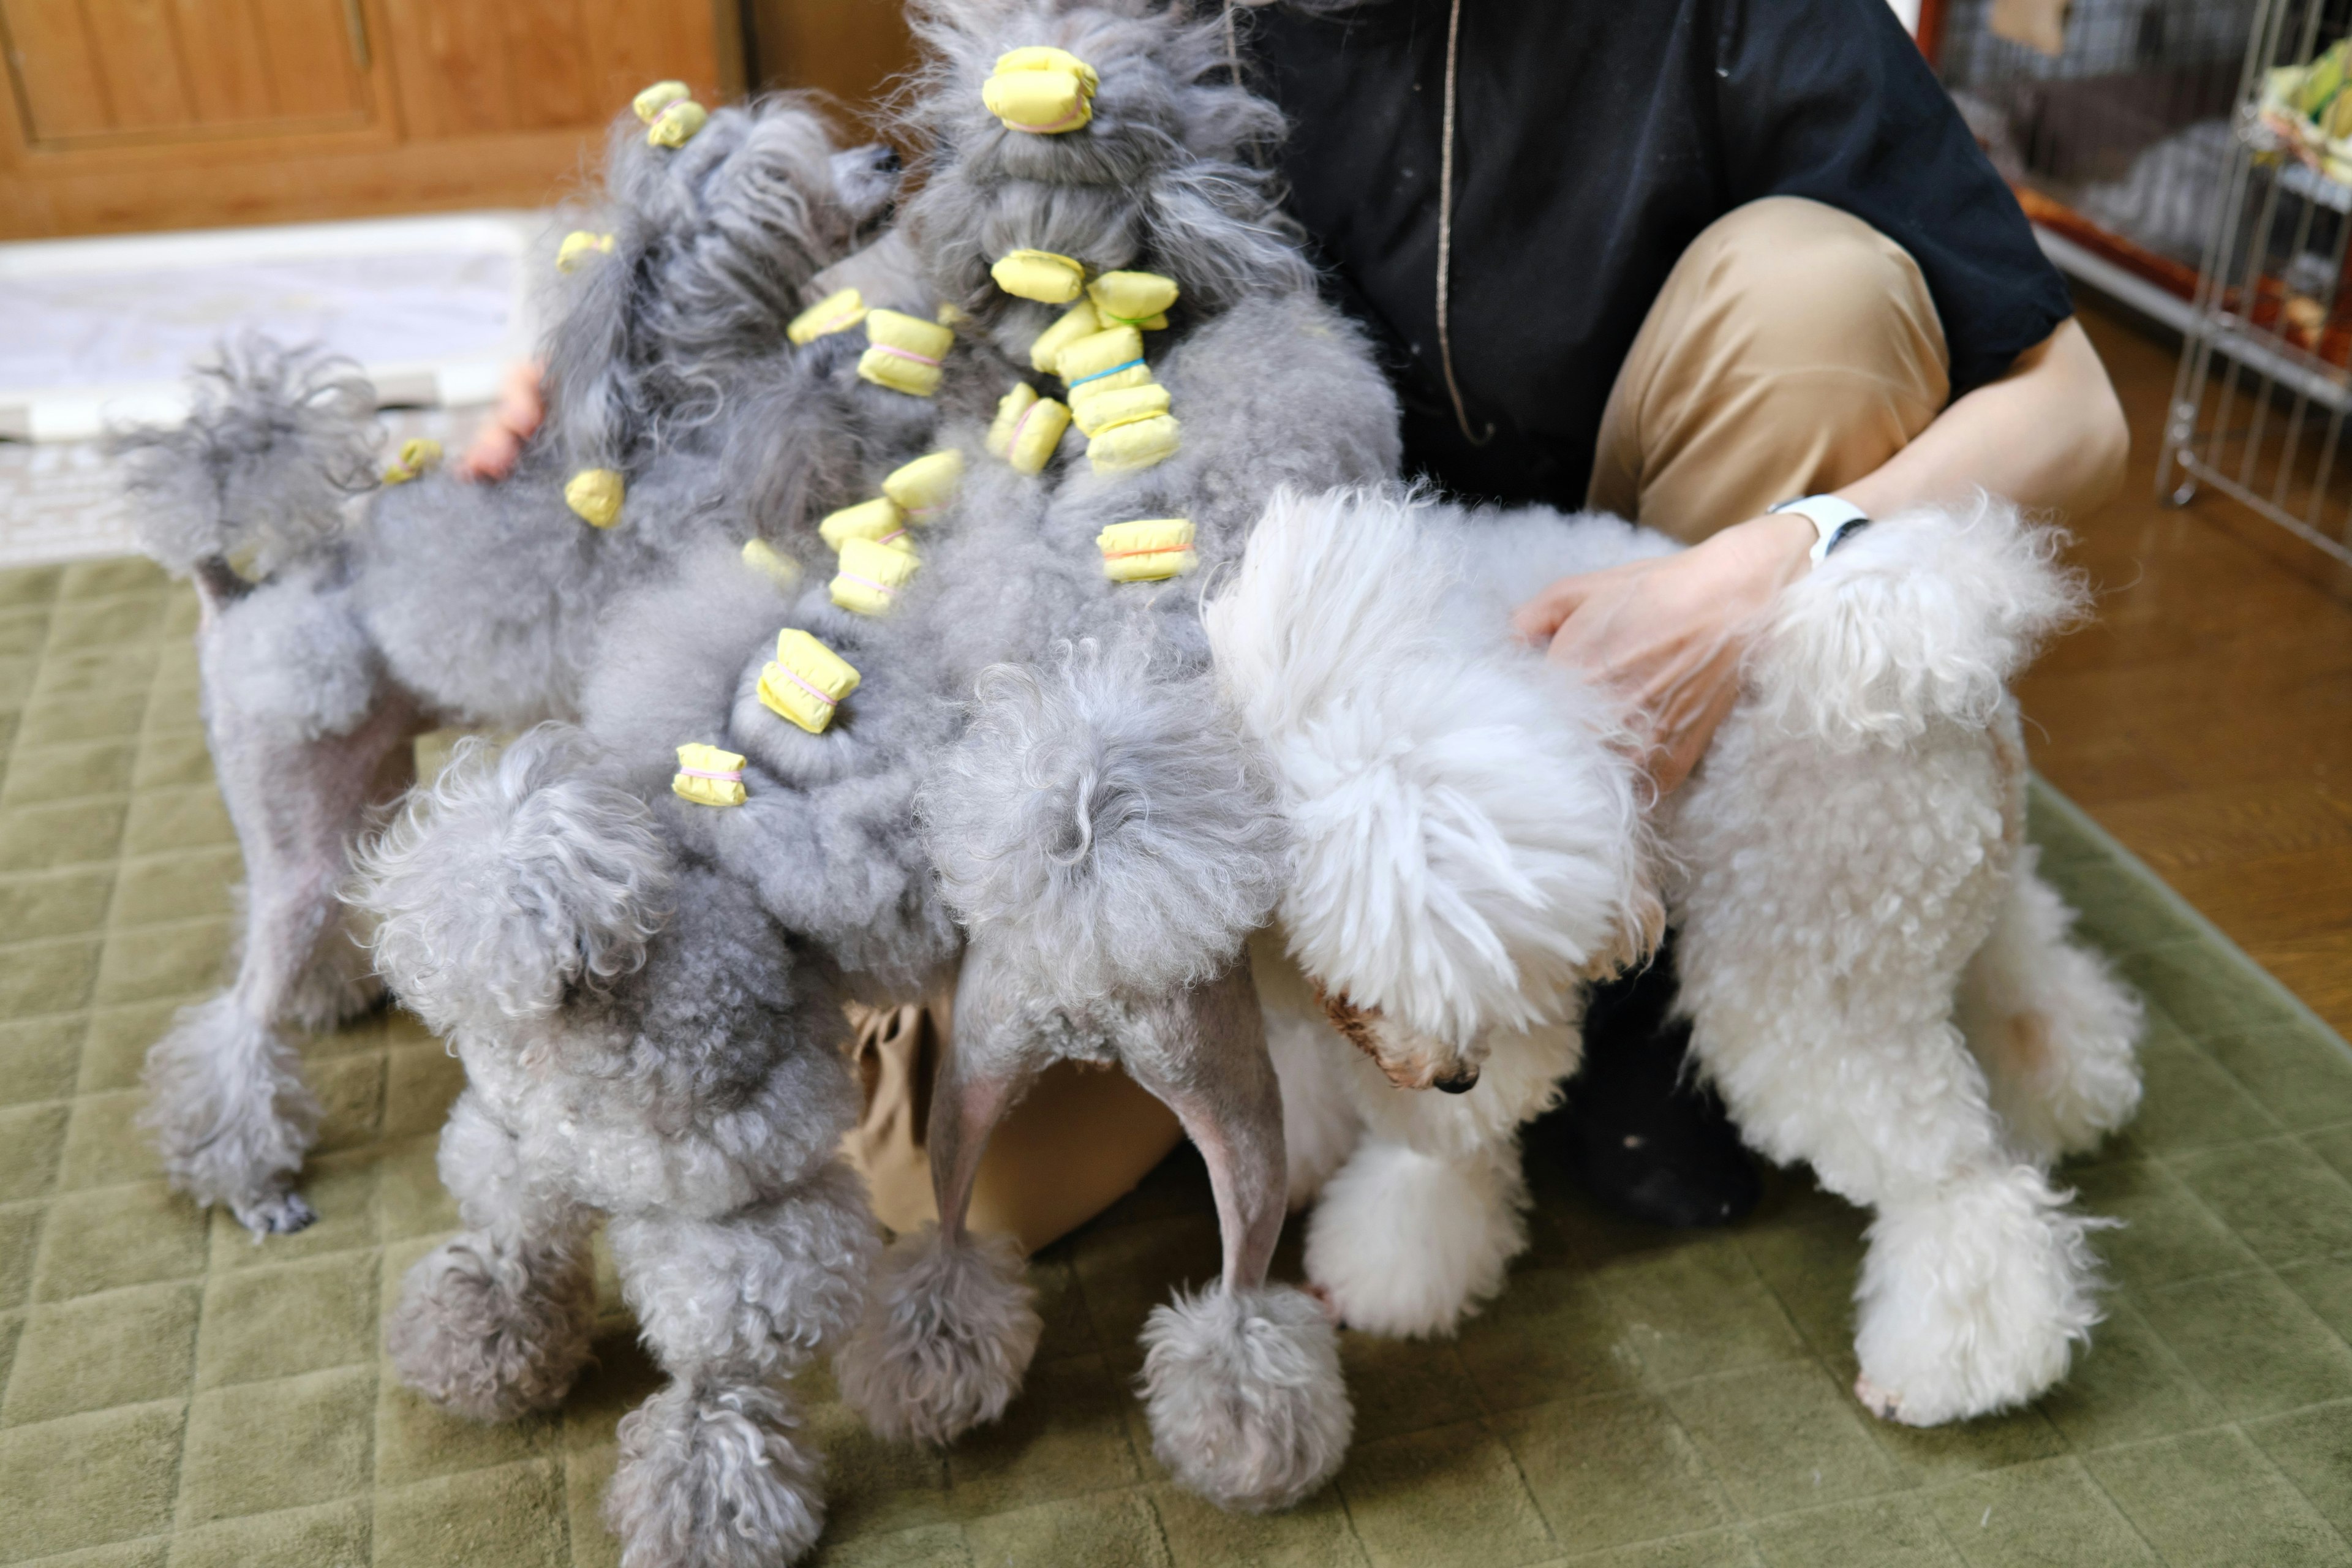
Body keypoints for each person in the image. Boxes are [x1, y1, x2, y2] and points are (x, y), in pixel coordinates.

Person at [462, 0, 2128, 1248]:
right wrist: (610, 353)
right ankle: (1378, 1021)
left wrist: (1732, 587)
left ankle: (1650, 991)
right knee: (923, 1179)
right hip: (1233, 699)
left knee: (1816, 302)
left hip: (1617, 612)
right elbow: (926, 258)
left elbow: (2075, 410)